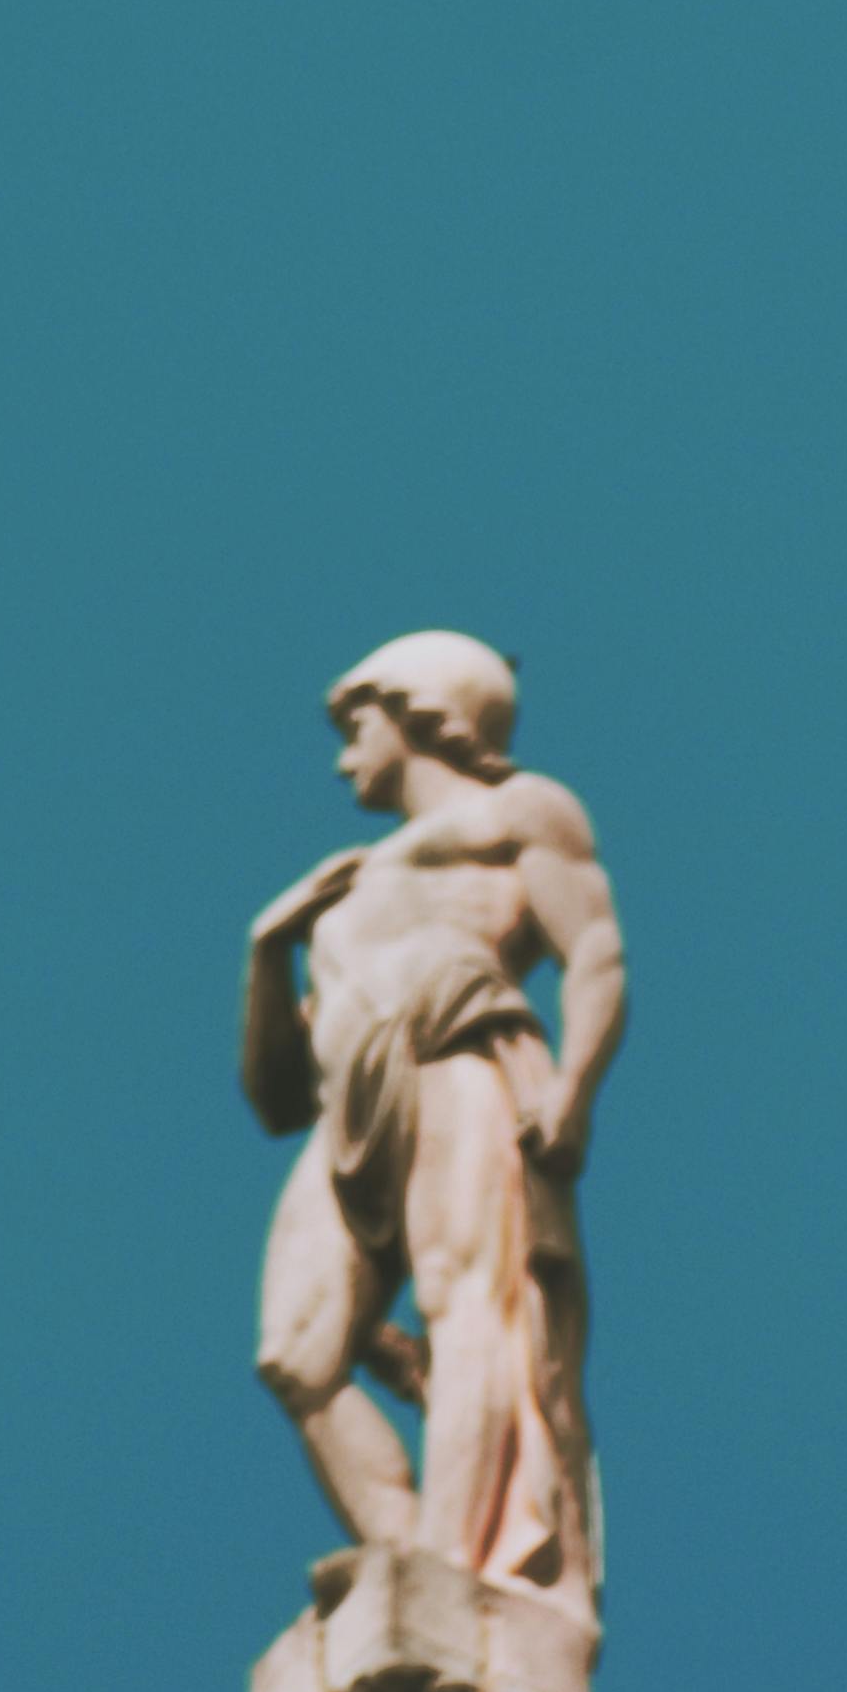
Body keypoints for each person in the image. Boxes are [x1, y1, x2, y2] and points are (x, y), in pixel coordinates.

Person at [242, 632, 624, 1634]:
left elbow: (594, 951)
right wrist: (269, 949)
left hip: (454, 1051)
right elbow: (275, 1098)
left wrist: (574, 1091)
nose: (343, 760)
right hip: (347, 1104)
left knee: (469, 1310)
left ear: (418, 711)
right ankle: (399, 1543)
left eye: (355, 727)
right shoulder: (343, 886)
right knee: (295, 1355)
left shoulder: (518, 810)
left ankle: (451, 1568)